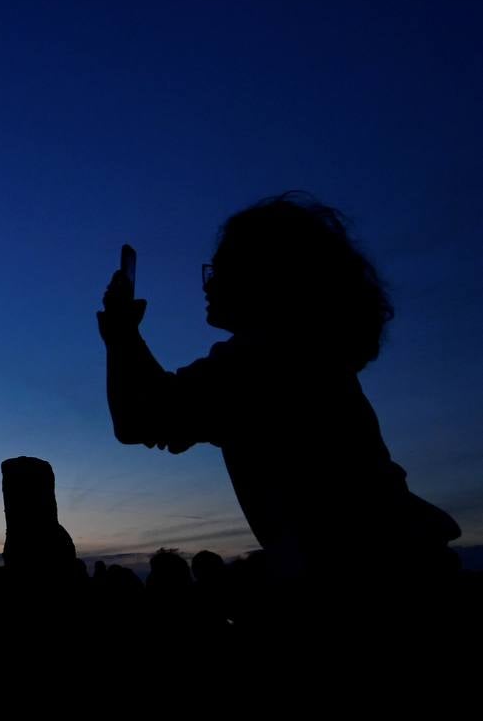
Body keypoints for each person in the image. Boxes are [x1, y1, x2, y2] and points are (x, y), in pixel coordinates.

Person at [97, 193, 460, 592]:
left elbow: (142, 417)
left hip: (375, 580)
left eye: (221, 270)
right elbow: (160, 407)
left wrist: (121, 331)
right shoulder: (301, 357)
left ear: (266, 277)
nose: (209, 284)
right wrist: (124, 334)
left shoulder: (262, 362)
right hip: (404, 568)